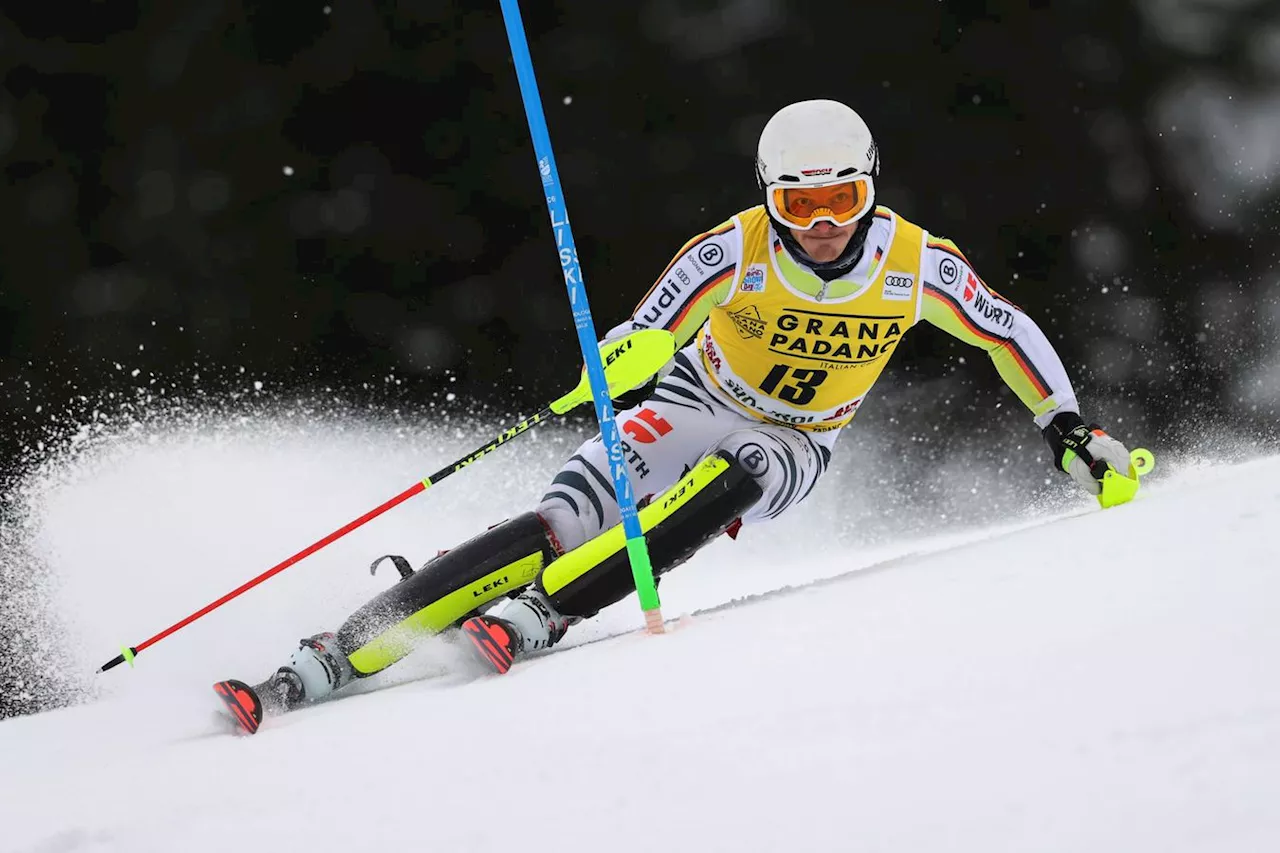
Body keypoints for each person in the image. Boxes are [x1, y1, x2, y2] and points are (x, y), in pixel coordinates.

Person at [215, 99, 1137, 731]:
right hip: (694, 400)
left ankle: (550, 612)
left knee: (735, 475)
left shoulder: (914, 264)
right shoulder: (729, 250)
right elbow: (647, 330)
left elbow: (1004, 331)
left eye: (841, 200)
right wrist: (610, 367)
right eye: (799, 202)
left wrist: (1067, 428)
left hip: (798, 441)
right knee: (563, 518)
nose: (821, 222)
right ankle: (339, 651)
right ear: (772, 195)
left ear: (870, 187)